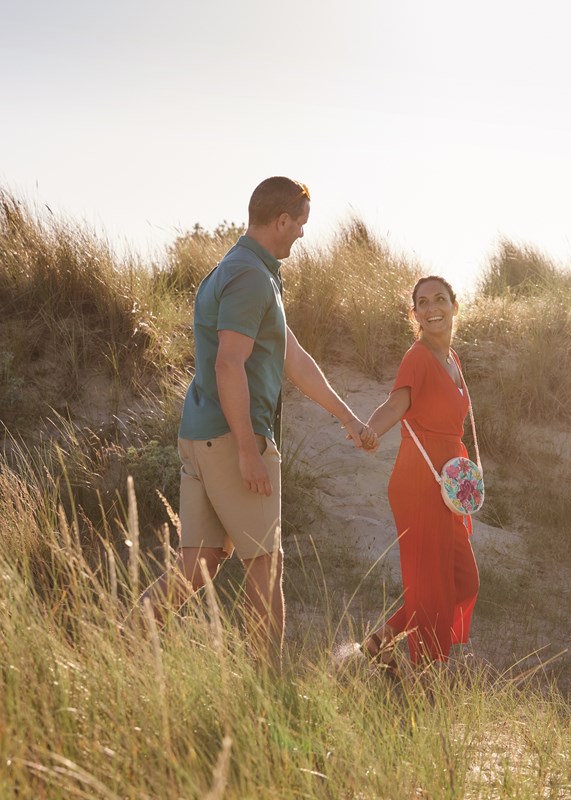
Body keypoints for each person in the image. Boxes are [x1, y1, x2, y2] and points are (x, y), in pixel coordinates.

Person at [138, 176, 371, 666]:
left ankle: (125, 643)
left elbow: (294, 357)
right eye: (300, 224)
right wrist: (248, 449)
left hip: (201, 434)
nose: (303, 235)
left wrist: (347, 416)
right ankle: (266, 686)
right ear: (281, 220)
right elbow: (229, 364)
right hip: (230, 438)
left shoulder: (245, 269)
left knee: (197, 564)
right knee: (266, 563)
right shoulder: (249, 276)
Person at [358, 276, 480, 670]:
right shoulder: (418, 357)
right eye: (422, 303)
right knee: (431, 586)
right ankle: (426, 681)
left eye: (440, 300)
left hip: (448, 486)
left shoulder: (452, 359)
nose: (432, 309)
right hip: (419, 485)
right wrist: (372, 428)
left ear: (455, 306)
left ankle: (380, 643)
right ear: (414, 314)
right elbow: (396, 404)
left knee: (462, 581)